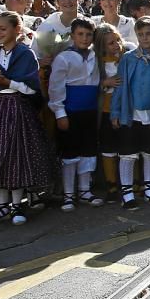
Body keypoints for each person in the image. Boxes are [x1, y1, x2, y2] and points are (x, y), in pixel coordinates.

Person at [0, 13, 55, 225]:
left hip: (17, 107)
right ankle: (2, 206)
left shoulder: (25, 55)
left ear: (17, 29)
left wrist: (7, 81)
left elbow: (30, 88)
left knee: (15, 155)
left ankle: (17, 204)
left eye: (3, 29)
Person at [111, 16, 150, 209]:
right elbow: (119, 87)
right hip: (132, 113)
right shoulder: (129, 59)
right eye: (140, 34)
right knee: (128, 153)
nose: (145, 38)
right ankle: (127, 193)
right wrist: (115, 111)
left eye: (148, 34)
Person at [48, 18, 102, 212]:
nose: (85, 38)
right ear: (72, 36)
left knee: (88, 150)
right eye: (80, 34)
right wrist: (60, 113)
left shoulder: (96, 56)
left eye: (89, 35)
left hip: (89, 112)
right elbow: (56, 88)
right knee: (70, 152)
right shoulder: (64, 58)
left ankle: (85, 190)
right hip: (70, 112)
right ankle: (68, 194)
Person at [93, 23, 128, 202]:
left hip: (125, 108)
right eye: (110, 43)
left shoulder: (127, 58)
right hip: (106, 109)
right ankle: (111, 185)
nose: (116, 45)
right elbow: (89, 83)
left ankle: (130, 184)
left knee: (127, 148)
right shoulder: (96, 62)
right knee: (108, 147)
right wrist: (104, 83)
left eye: (117, 41)